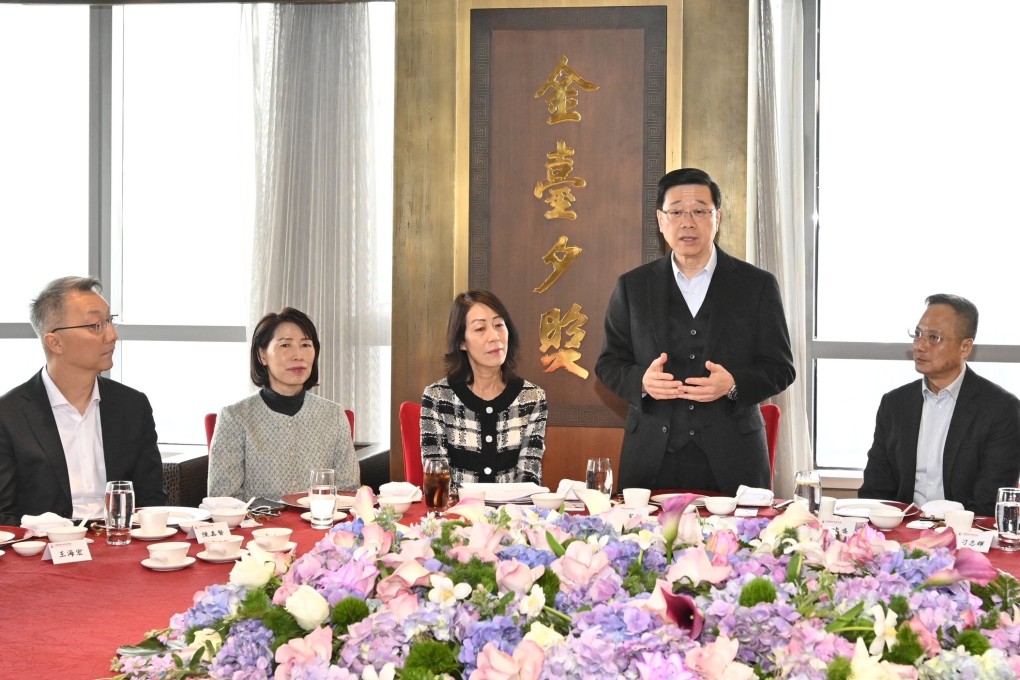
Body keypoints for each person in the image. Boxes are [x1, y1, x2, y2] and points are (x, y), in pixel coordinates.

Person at [595, 168, 796, 494]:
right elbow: (608, 364)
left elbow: (781, 368)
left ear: (718, 217)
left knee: (740, 545)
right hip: (651, 459)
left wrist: (733, 385)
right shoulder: (632, 286)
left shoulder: (756, 285)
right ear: (661, 221)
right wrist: (642, 383)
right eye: (676, 212)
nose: (688, 222)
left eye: (700, 211)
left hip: (734, 458)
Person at [0, 276, 166, 526]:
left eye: (110, 321)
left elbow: (151, 500)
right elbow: (4, 516)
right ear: (54, 342)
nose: (112, 335)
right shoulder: (9, 414)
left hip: (120, 546)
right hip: (45, 553)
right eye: (96, 325)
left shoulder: (133, 406)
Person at [859, 294, 1020, 517]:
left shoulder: (1002, 410)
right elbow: (875, 491)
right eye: (917, 334)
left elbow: (988, 502)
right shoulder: (894, 404)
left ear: (965, 347)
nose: (920, 346)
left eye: (934, 338)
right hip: (902, 533)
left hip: (965, 535)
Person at [208, 308, 359, 501]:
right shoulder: (235, 417)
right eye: (286, 345)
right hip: (257, 529)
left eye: (305, 345)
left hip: (320, 527)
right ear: (262, 355)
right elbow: (223, 499)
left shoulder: (334, 415)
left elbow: (349, 491)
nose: (298, 355)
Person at [420, 290, 547, 493]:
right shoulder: (437, 397)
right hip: (456, 519)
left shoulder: (531, 398)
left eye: (499, 325)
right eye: (480, 328)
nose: (494, 337)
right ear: (462, 342)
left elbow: (528, 481)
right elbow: (437, 482)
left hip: (511, 517)